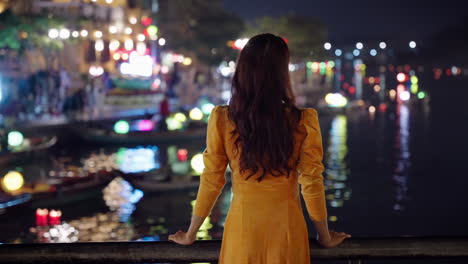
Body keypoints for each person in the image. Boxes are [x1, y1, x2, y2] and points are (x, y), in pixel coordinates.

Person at [169, 33, 350, 263]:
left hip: (242, 232)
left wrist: (191, 233)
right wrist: (324, 236)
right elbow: (312, 181)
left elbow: (212, 178)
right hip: (287, 233)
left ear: (243, 70)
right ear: (282, 73)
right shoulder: (303, 120)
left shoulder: (223, 119)